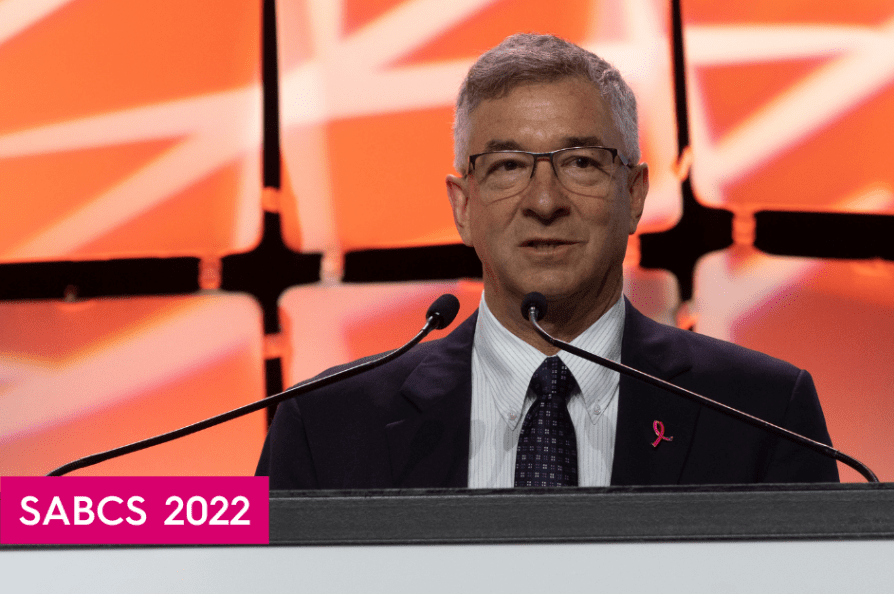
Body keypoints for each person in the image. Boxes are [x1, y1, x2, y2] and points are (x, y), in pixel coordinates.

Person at [256, 33, 840, 488]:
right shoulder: (324, 421)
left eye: (581, 163)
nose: (544, 201)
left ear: (634, 195)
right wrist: (165, 519)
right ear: (463, 205)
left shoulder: (762, 412)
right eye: (508, 166)